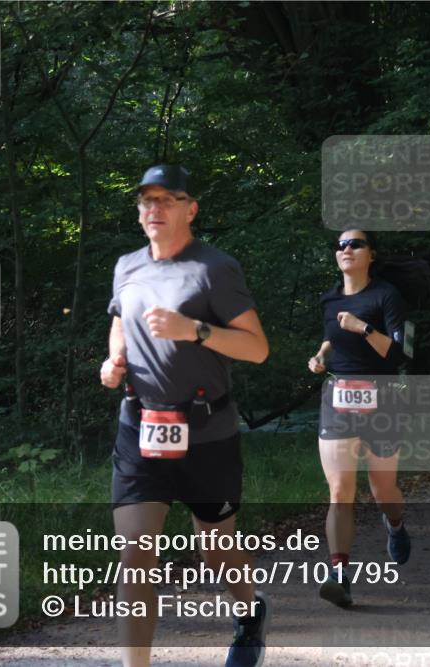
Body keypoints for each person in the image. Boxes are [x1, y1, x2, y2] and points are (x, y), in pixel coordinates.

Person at [100, 164, 270, 667]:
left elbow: (258, 348)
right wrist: (115, 362)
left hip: (207, 432)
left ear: (190, 208)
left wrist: (193, 330)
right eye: (146, 201)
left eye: (167, 199)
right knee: (134, 559)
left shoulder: (215, 268)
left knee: (215, 549)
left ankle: (249, 613)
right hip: (141, 427)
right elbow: (119, 322)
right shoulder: (127, 265)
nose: (154, 209)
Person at [307, 229, 411, 608]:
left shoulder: (387, 296)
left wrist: (364, 328)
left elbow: (401, 354)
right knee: (339, 491)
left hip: (382, 399)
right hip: (337, 399)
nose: (346, 248)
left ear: (371, 254)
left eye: (355, 243)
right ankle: (339, 575)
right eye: (340, 244)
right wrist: (320, 357)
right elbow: (330, 337)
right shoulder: (330, 298)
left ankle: (395, 523)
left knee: (382, 490)